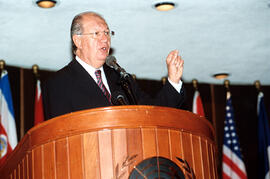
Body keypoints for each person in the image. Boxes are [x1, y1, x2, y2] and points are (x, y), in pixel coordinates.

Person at [42, 11, 185, 120]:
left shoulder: (121, 79)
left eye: (107, 33)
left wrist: (173, 81)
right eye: (97, 33)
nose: (105, 39)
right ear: (78, 41)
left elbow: (154, 113)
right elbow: (59, 135)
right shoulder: (59, 83)